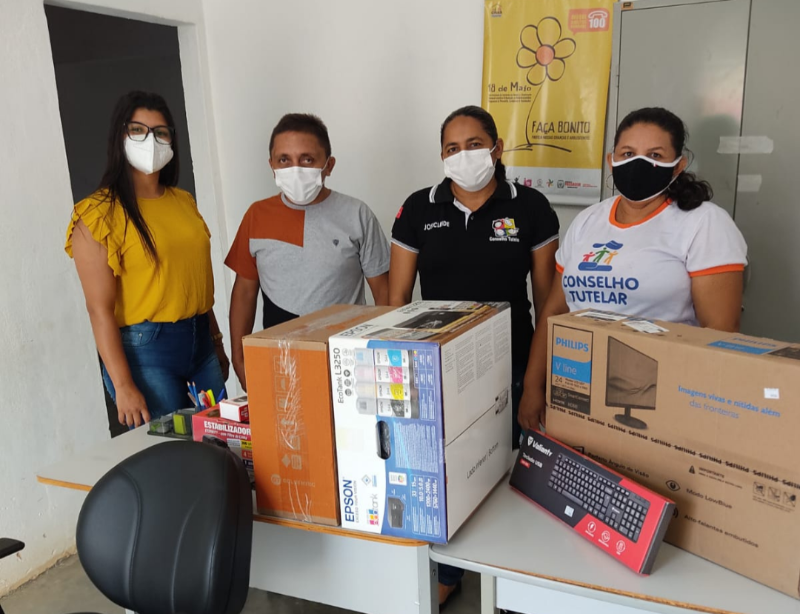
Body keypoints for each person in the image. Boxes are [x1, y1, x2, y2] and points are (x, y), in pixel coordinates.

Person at [389, 105, 559, 607]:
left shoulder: (530, 207)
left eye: (474, 144)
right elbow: (397, 299)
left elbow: (548, 301)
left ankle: (513, 578)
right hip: (440, 367)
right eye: (452, 148)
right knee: (448, 471)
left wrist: (538, 380)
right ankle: (448, 572)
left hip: (512, 361)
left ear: (497, 148)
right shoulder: (419, 208)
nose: (462, 155)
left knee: (509, 469)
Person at [517, 107, 748, 433]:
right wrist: (533, 386)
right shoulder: (588, 220)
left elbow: (720, 331)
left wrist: (691, 410)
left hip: (661, 399)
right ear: (611, 160)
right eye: (628, 153)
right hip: (577, 388)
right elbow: (555, 311)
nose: (639, 163)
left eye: (655, 155)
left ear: (678, 165)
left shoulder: (704, 223)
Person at [66, 91, 229, 429]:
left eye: (161, 132)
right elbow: (99, 309)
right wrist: (123, 385)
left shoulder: (183, 202)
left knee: (222, 444)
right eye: (138, 130)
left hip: (200, 342)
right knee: (171, 450)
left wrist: (215, 341)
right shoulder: (98, 213)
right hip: (147, 353)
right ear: (120, 136)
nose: (151, 141)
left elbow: (191, 281)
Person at [226, 113, 391, 390]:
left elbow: (384, 294)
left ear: (329, 165)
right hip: (279, 362)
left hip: (347, 364)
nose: (295, 169)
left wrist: (383, 353)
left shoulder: (357, 214)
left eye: (307, 159)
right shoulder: (257, 215)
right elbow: (244, 292)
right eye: (284, 160)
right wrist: (239, 357)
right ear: (271, 165)